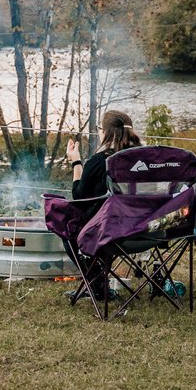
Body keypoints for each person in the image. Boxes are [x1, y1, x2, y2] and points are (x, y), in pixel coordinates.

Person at [65, 110, 142, 299]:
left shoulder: (99, 162)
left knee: (68, 228)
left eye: (100, 128)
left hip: (109, 231)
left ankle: (99, 286)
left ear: (106, 132)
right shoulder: (142, 160)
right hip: (143, 229)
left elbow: (79, 198)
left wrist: (76, 162)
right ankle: (99, 282)